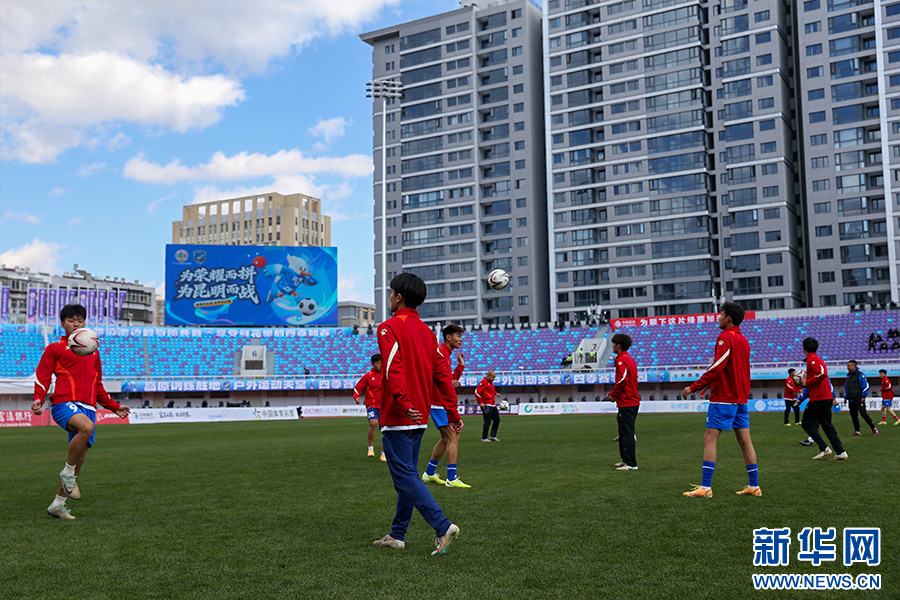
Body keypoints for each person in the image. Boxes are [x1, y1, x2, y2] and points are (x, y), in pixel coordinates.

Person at [373, 273, 461, 556]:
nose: (389, 297)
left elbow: (392, 367)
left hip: (399, 413)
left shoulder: (388, 328)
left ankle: (442, 525)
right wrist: (453, 412)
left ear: (398, 297)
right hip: (420, 415)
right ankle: (397, 535)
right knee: (408, 476)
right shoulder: (428, 334)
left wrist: (401, 400)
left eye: (391, 293)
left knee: (404, 478)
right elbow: (443, 376)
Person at [31, 304, 131, 520]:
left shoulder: (93, 351)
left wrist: (115, 406)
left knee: (80, 457)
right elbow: (43, 376)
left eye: (80, 320)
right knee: (86, 428)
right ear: (62, 324)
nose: (76, 324)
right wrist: (39, 397)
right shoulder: (55, 348)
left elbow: (98, 385)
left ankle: (58, 505)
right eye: (71, 320)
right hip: (64, 403)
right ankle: (67, 472)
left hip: (89, 407)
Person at [681, 302, 761, 498]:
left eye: (721, 314)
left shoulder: (725, 337)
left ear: (729, 318)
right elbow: (732, 369)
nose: (718, 318)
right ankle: (754, 485)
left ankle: (705, 487)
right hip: (740, 398)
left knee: (709, 439)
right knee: (745, 441)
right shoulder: (743, 340)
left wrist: (694, 387)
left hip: (724, 397)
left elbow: (717, 367)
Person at [422, 324, 470, 488]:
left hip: (439, 402)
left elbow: (447, 380)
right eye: (458, 336)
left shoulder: (445, 354)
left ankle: (429, 473)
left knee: (446, 438)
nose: (461, 340)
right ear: (448, 337)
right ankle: (451, 478)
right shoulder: (441, 353)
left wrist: (460, 366)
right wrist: (453, 412)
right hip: (438, 403)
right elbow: (441, 381)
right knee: (453, 437)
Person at [800, 337, 847, 460]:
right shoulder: (817, 359)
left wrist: (807, 381)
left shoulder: (812, 360)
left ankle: (824, 448)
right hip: (825, 397)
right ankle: (840, 452)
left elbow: (821, 374)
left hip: (818, 398)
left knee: (806, 424)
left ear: (804, 349)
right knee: (827, 425)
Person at [603, 333, 640, 471]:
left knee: (627, 432)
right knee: (623, 432)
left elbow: (622, 380)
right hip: (630, 400)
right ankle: (625, 460)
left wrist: (613, 395)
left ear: (618, 346)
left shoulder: (621, 360)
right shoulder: (630, 360)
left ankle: (631, 464)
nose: (612, 346)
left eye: (614, 344)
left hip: (627, 402)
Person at [353, 353, 386, 461]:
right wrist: (356, 397)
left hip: (385, 406)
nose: (379, 365)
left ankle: (384, 453)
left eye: (381, 363)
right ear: (372, 364)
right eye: (377, 363)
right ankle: (370, 448)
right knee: (373, 423)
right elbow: (358, 388)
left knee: (385, 429)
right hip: (372, 404)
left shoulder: (386, 375)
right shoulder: (368, 376)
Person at [844, 360, 877, 436]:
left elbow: (865, 386)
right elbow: (846, 387)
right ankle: (857, 431)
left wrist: (863, 396)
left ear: (854, 366)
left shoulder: (860, 375)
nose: (847, 367)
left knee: (863, 414)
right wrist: (845, 397)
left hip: (859, 399)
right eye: (847, 366)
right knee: (853, 416)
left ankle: (874, 428)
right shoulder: (848, 376)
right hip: (851, 399)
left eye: (849, 365)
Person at [476, 371, 501, 442]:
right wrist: (481, 402)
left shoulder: (490, 383)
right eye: (493, 377)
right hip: (486, 405)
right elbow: (477, 392)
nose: (494, 379)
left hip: (492, 404)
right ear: (489, 376)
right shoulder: (483, 382)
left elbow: (490, 391)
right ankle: (484, 438)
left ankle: (493, 436)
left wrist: (496, 393)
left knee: (497, 419)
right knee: (488, 421)